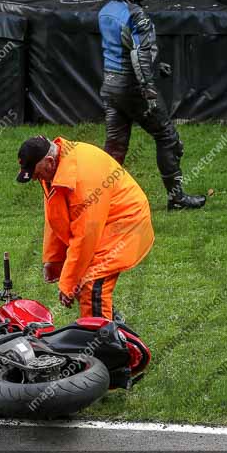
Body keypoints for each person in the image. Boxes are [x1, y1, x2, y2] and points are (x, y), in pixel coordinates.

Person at [16, 135, 154, 320]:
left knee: (91, 282)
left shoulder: (83, 180)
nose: (36, 179)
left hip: (126, 223)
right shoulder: (53, 169)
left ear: (49, 161)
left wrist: (68, 283)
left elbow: (85, 237)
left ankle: (101, 342)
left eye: (37, 174)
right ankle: (111, 326)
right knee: (83, 280)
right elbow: (56, 215)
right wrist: (54, 260)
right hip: (103, 222)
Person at [98, 0, 206, 211]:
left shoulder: (106, 10)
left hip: (110, 84)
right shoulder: (137, 14)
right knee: (167, 137)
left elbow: (121, 47)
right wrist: (148, 85)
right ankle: (177, 199)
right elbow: (138, 55)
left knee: (115, 147)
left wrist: (156, 67)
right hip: (132, 87)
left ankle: (98, 201)